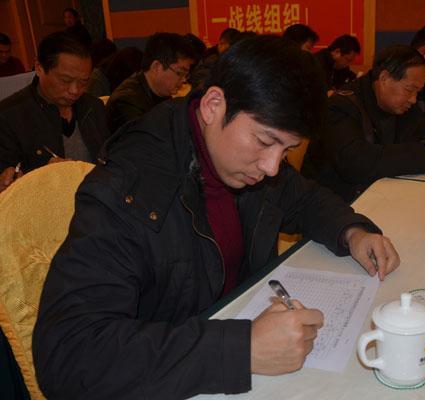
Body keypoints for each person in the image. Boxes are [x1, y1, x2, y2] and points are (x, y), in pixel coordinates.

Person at [32, 35, 401, 398]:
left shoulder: (239, 158)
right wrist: (241, 350)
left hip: (230, 327)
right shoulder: (130, 187)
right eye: (265, 141)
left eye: (287, 150)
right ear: (213, 106)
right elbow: (68, 356)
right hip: (175, 373)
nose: (272, 167)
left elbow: (302, 198)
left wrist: (352, 231)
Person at [302, 44, 425, 202]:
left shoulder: (398, 105)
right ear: (384, 78)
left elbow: (414, 132)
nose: (414, 99)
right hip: (333, 202)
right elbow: (356, 163)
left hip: (377, 194)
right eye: (410, 89)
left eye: (418, 92)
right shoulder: (341, 106)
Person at [0, 32, 109, 193]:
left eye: (83, 82)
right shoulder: (9, 116)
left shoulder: (94, 107)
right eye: (65, 80)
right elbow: (8, 181)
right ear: (39, 68)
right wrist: (41, 175)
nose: (75, 90)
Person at [106, 32, 195, 133]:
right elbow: (144, 139)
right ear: (156, 67)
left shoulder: (161, 93)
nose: (184, 80)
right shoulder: (126, 102)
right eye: (179, 73)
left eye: (186, 75)